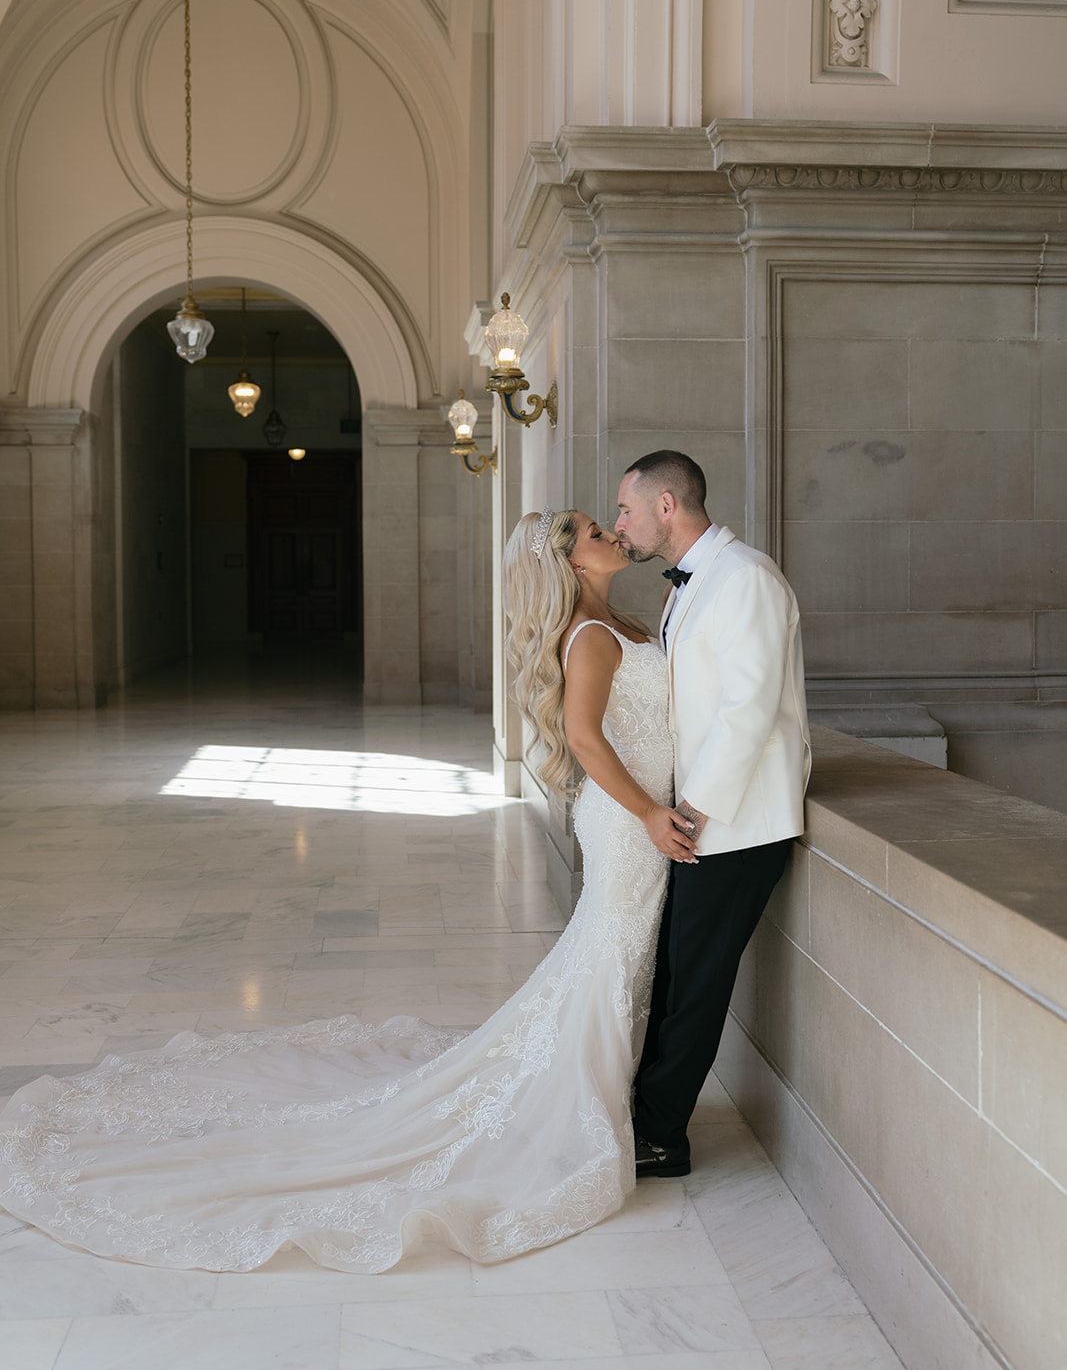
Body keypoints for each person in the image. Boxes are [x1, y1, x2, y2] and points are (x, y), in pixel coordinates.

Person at [0, 507, 694, 1274]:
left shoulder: (623, 619)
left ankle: (594, 1084)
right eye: (592, 531)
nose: (608, 533)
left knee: (611, 953)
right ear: (569, 564)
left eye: (603, 524)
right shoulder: (593, 638)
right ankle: (578, 1101)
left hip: (639, 816)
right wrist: (650, 813)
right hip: (631, 822)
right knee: (610, 950)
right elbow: (587, 739)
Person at [614, 449, 811, 1179]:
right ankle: (647, 1116)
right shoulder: (692, 583)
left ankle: (662, 1138)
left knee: (695, 986)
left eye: (626, 509)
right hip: (703, 823)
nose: (619, 523)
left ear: (667, 505)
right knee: (673, 976)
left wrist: (692, 811)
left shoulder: (747, 578)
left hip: (735, 824)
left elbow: (748, 710)